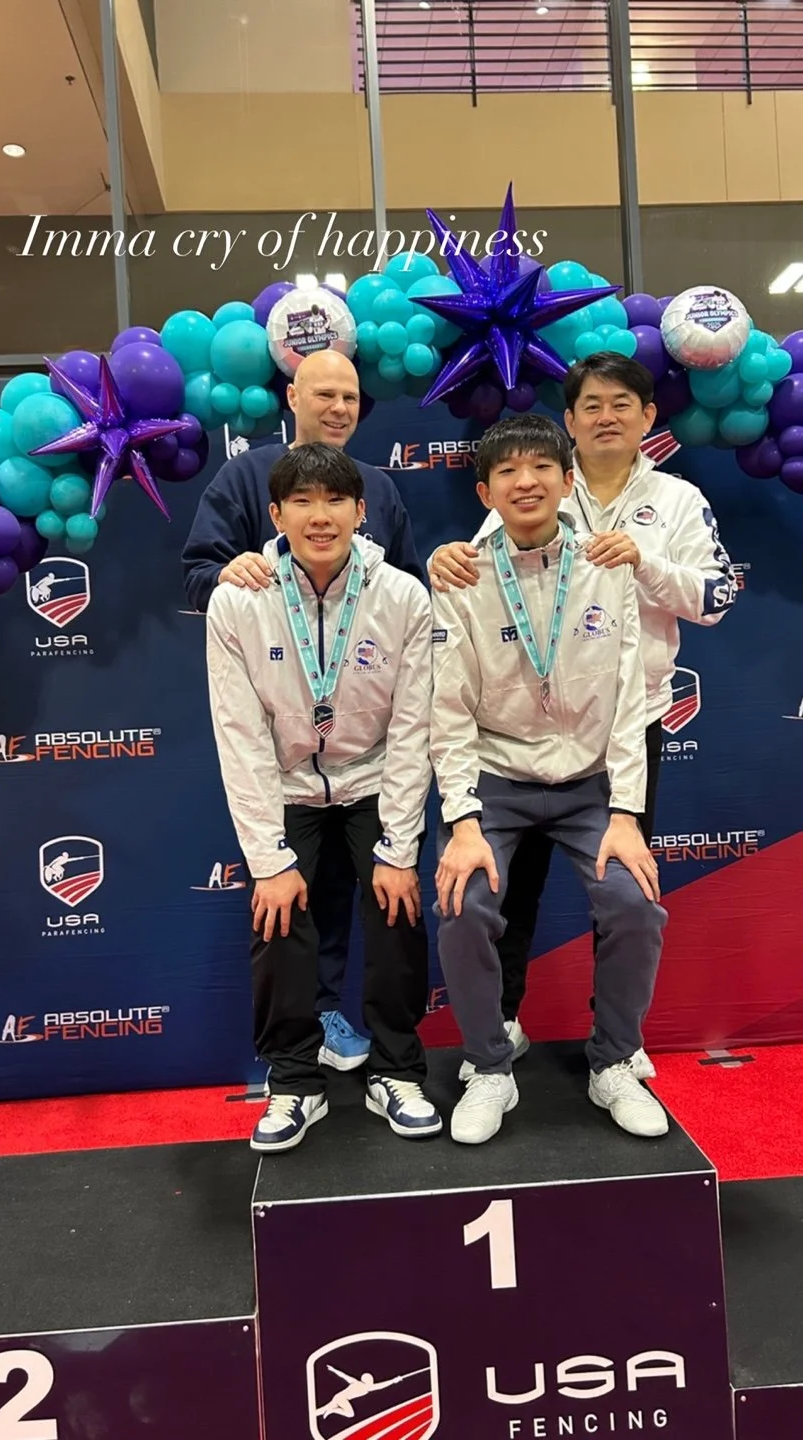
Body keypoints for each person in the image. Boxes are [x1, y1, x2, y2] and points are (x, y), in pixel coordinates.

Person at [430, 353, 736, 1072]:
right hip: (518, 742)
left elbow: (718, 598)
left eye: (621, 403)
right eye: (590, 405)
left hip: (623, 722)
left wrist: (643, 564)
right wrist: (446, 560)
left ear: (648, 417)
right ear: (569, 424)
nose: (606, 416)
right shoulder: (540, 488)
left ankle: (616, 1043)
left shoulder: (678, 501)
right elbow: (481, 583)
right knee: (512, 889)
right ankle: (500, 1024)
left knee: (621, 883)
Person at [430, 413, 669, 1145]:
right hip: (498, 780)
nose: (525, 481)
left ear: (568, 482)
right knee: (465, 903)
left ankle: (614, 1062)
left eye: (541, 467)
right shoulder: (461, 576)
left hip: (589, 781)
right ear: (486, 491)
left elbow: (630, 698)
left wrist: (627, 812)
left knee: (633, 902)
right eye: (508, 471)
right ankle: (491, 1068)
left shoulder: (608, 565)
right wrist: (463, 821)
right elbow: (448, 709)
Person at [184, 349, 424, 1073]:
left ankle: (387, 1058)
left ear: (356, 509)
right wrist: (229, 573)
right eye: (325, 393)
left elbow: (406, 591)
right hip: (287, 737)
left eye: (350, 396)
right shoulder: (246, 476)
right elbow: (198, 572)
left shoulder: (378, 485)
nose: (339, 407)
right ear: (293, 396)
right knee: (287, 898)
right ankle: (294, 1058)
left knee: (382, 898)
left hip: (366, 748)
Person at [205, 442, 441, 1152]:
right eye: (301, 502)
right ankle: (293, 1083)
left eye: (335, 500)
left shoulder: (402, 595)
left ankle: (397, 1071)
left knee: (396, 907)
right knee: (278, 918)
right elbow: (239, 736)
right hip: (289, 786)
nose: (320, 516)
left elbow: (413, 729)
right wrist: (268, 860)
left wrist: (399, 846)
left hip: (373, 778)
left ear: (361, 511)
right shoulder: (237, 600)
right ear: (276, 515)